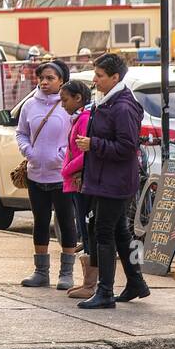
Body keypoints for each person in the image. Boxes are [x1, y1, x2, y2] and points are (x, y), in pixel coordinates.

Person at [75, 53, 151, 309]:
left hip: (115, 181)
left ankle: (105, 291)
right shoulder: (106, 101)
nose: (94, 80)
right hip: (105, 178)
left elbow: (128, 146)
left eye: (99, 75)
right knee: (120, 231)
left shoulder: (122, 106)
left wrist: (93, 144)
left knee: (103, 232)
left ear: (115, 78)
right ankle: (136, 282)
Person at [16, 60, 78, 290]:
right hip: (35, 175)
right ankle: (41, 272)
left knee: (66, 222)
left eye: (50, 78)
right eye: (41, 78)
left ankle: (67, 273)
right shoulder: (29, 105)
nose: (44, 82)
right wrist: (29, 152)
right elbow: (21, 133)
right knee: (40, 222)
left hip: (62, 176)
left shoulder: (67, 105)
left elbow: (75, 137)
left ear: (61, 81)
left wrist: (61, 156)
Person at [60, 79, 97, 299]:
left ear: (78, 98)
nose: (63, 105)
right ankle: (88, 282)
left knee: (87, 229)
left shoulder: (83, 119)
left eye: (65, 100)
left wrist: (65, 170)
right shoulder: (79, 118)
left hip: (79, 181)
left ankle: (90, 284)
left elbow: (83, 154)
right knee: (85, 230)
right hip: (75, 181)